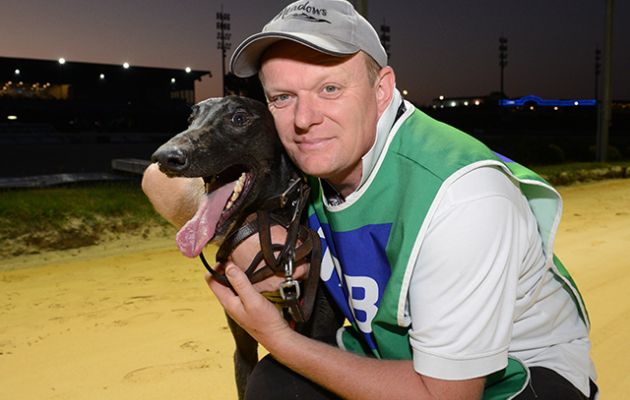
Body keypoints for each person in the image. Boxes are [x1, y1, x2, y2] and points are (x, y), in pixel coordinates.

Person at [142, 0, 597, 398]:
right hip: (390, 351)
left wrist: (277, 337)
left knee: (286, 361)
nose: (304, 118)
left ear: (381, 91)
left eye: (330, 89)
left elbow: (444, 397)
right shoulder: (312, 147)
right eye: (282, 96)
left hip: (518, 376)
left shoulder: (463, 199)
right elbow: (157, 177)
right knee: (274, 386)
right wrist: (243, 233)